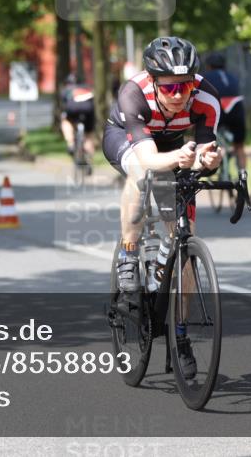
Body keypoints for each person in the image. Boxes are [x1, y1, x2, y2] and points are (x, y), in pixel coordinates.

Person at [101, 36, 222, 377]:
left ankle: (179, 336)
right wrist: (182, 157)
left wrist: (210, 159)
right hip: (127, 140)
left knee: (184, 240)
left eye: (185, 86)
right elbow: (149, 158)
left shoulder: (206, 98)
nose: (179, 95)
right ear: (154, 82)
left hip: (173, 145)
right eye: (169, 89)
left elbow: (206, 155)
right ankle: (128, 253)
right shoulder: (133, 93)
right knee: (140, 174)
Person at [202, 51, 247, 171]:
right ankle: (242, 175)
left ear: (208, 65)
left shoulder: (205, 77)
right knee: (239, 146)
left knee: (208, 141)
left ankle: (217, 158)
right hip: (236, 108)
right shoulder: (232, 76)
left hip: (217, 109)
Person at [59, 74, 96, 169]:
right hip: (88, 108)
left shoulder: (66, 89)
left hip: (73, 107)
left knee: (65, 121)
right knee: (88, 135)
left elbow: (63, 104)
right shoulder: (87, 87)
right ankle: (89, 160)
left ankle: (71, 144)